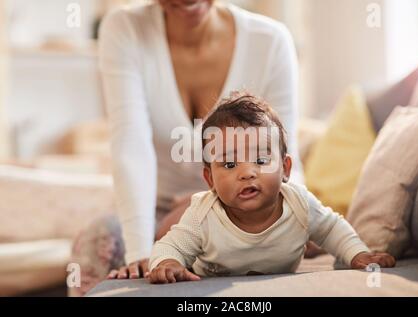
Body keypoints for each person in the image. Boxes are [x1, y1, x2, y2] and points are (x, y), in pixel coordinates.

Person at [70, 0, 304, 294]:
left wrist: (292, 220)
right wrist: (141, 254)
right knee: (98, 237)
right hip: (155, 210)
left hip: (241, 206)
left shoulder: (270, 40)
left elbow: (282, 151)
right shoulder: (124, 28)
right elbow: (131, 143)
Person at [148, 94, 395, 283]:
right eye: (230, 163)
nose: (247, 172)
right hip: (207, 264)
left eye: (261, 160)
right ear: (210, 178)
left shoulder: (298, 202)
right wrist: (168, 263)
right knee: (172, 226)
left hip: (291, 230)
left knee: (318, 232)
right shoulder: (203, 215)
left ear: (285, 168)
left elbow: (332, 228)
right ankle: (179, 203)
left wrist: (357, 254)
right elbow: (170, 246)